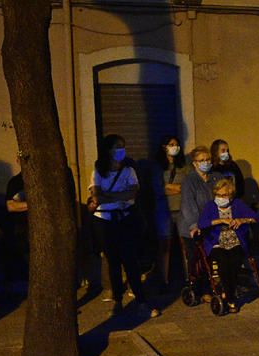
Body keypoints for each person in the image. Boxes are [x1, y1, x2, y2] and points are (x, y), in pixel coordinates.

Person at [88, 134, 157, 316]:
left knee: (131, 260)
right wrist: (119, 195)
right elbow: (97, 196)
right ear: (108, 150)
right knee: (113, 261)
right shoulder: (98, 170)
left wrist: (109, 196)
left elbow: (132, 193)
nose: (121, 150)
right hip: (104, 220)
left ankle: (141, 299)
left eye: (122, 146)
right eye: (117, 146)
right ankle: (117, 300)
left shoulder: (129, 170)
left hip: (125, 218)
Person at [196, 178, 259, 313]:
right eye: (218, 195)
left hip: (235, 240)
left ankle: (228, 293)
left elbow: (255, 217)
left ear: (230, 195)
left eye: (224, 195)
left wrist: (242, 220)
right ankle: (231, 298)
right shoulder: (210, 206)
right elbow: (202, 224)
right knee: (223, 263)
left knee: (235, 261)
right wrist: (220, 220)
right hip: (216, 242)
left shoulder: (237, 204)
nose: (221, 198)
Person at [150, 135, 188, 287]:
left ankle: (189, 278)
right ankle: (163, 280)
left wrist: (169, 188)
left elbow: (187, 186)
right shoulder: (157, 166)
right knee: (164, 246)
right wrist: (176, 188)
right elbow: (158, 188)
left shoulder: (183, 166)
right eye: (171, 144)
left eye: (177, 144)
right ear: (164, 147)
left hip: (181, 209)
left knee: (185, 244)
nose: (175, 147)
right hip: (164, 210)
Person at [178, 145, 216, 279]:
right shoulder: (189, 181)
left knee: (211, 256)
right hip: (193, 227)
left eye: (208, 159)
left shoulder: (215, 178)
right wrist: (195, 224)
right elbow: (188, 205)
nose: (206, 162)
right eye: (202, 160)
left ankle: (213, 285)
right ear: (195, 163)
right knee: (196, 258)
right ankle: (198, 287)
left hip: (211, 224)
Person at [5, 151, 29, 282]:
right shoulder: (15, 182)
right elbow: (10, 206)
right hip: (22, 229)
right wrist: (33, 205)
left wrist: (21, 205)